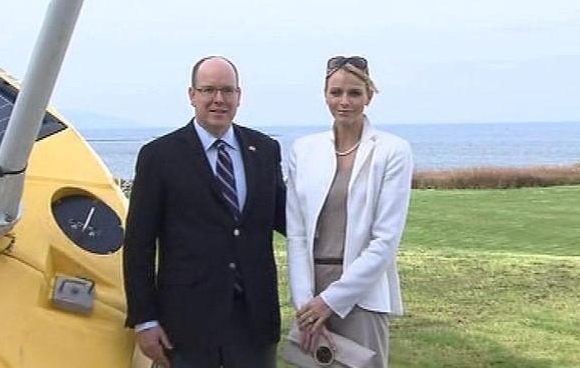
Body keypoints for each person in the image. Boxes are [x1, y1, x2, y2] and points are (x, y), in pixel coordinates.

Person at [123, 56, 286, 368]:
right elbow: (138, 245)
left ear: (239, 95)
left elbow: (288, 219)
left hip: (254, 321)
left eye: (227, 90)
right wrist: (144, 320)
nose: (218, 100)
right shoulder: (159, 157)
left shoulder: (264, 150)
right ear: (192, 95)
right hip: (186, 324)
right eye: (208, 90)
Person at [285, 56, 413, 368]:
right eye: (336, 92)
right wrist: (307, 305)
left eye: (354, 93)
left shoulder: (392, 151)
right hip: (311, 289)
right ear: (325, 94)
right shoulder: (304, 150)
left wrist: (330, 301)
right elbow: (297, 235)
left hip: (363, 293)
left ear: (369, 96)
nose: (344, 102)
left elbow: (385, 241)